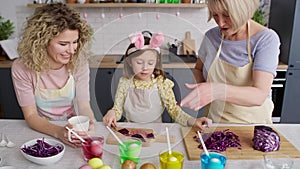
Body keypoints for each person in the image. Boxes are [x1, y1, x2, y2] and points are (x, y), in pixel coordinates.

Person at [179, 0, 280, 124]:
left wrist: (215, 91)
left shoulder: (265, 39)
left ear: (243, 11)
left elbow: (259, 95)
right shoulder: (211, 37)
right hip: (213, 122)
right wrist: (199, 92)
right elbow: (199, 69)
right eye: (215, 15)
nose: (220, 23)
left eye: (227, 15)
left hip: (251, 127)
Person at [11, 3, 95, 147]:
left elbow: (84, 105)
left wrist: (88, 121)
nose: (72, 50)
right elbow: (31, 116)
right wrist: (58, 132)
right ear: (42, 42)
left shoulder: (79, 63)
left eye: (75, 42)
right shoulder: (22, 68)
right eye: (63, 44)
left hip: (73, 129)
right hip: (42, 130)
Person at [103, 31, 212, 130]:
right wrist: (112, 113)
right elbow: (117, 110)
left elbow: (174, 111)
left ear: (156, 62)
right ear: (130, 62)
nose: (145, 67)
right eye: (139, 63)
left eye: (150, 63)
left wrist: (193, 121)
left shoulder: (161, 82)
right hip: (130, 130)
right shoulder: (124, 82)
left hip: (156, 131)